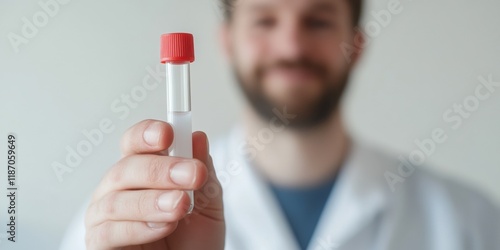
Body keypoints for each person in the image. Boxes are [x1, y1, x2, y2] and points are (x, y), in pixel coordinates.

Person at [61, 0, 500, 249]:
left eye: (319, 20)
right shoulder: (119, 221)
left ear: (357, 45)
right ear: (227, 43)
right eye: (265, 19)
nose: (291, 44)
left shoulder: (468, 222)